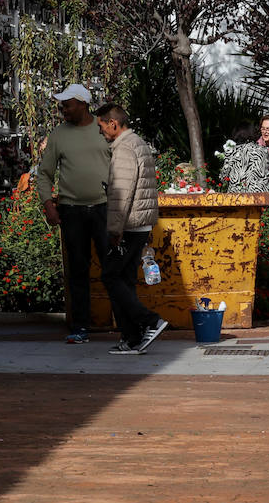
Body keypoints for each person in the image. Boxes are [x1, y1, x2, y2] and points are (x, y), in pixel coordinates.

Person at [36, 83, 113, 344]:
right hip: (72, 212)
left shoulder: (104, 128)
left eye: (67, 104)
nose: (62, 109)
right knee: (77, 271)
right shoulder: (58, 135)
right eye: (61, 104)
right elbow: (44, 174)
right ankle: (80, 326)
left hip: (105, 208)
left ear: (82, 103)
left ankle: (126, 322)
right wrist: (48, 204)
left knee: (113, 267)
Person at [95, 103, 167, 355]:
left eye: (102, 126)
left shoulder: (124, 148)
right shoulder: (137, 142)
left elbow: (121, 192)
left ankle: (150, 321)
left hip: (129, 225)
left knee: (110, 276)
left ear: (113, 124)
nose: (101, 132)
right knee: (124, 280)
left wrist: (115, 230)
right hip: (139, 223)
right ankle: (132, 338)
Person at [222, 124, 269, 194]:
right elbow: (265, 174)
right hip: (259, 196)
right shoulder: (263, 150)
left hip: (236, 197)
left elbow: (224, 177)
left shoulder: (231, 152)